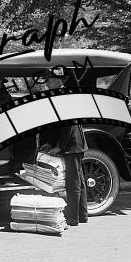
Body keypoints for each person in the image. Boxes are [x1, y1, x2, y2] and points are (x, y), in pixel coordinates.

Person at [38, 74, 88, 227]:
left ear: (58, 81)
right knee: (79, 180)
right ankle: (82, 215)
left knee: (73, 182)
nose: (47, 83)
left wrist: (60, 146)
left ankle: (73, 218)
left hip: (73, 145)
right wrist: (50, 143)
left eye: (50, 80)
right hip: (73, 144)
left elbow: (69, 125)